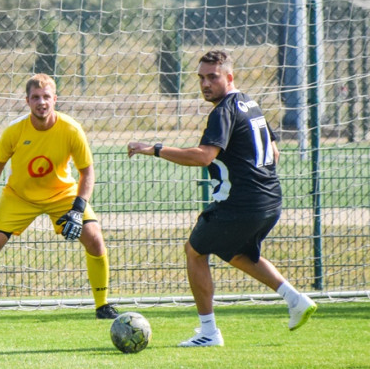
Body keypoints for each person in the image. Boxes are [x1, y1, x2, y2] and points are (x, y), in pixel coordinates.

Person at [128, 50, 317, 347]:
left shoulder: (223, 111)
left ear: (229, 77)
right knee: (238, 254)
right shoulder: (250, 104)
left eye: (212, 77)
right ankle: (296, 300)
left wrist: (155, 149)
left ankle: (208, 332)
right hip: (270, 201)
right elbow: (275, 152)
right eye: (201, 77)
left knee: (194, 250)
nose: (205, 83)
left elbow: (204, 157)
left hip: (241, 204)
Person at [0, 73, 118, 324]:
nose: (41, 102)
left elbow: (87, 172)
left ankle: (102, 306)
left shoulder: (71, 129)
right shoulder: (15, 130)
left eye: (46, 97)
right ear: (27, 101)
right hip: (19, 197)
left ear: (55, 99)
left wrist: (78, 208)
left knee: (95, 239)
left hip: (61, 194)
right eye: (35, 97)